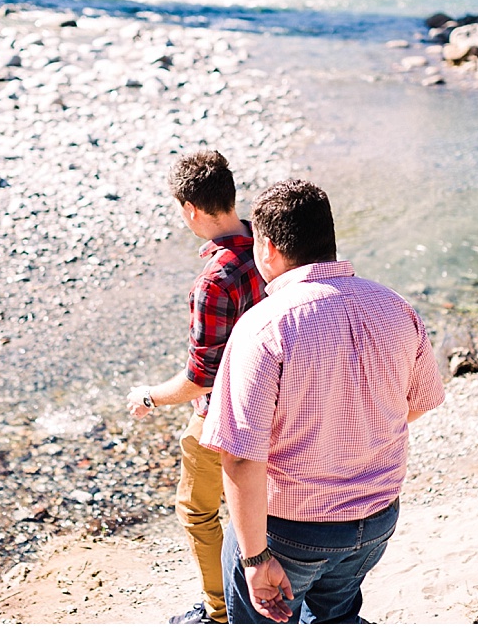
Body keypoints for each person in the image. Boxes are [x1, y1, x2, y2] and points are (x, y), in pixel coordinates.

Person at [200, 179, 445, 624]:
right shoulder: (395, 306)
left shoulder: (264, 327)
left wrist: (255, 560)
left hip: (290, 531)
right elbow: (422, 400)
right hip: (375, 520)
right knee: (336, 618)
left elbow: (239, 458)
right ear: (328, 238)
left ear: (267, 247)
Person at [126, 150, 267, 625]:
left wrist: (149, 395)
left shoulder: (215, 278)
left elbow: (200, 377)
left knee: (196, 511)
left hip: (225, 413)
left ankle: (220, 609)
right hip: (281, 402)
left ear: (190, 209)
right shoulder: (269, 246)